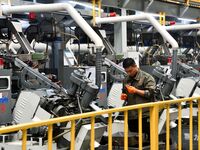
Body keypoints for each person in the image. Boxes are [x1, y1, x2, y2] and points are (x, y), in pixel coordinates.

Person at [121, 57, 156, 140]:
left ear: (135, 66)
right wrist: (124, 96)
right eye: (127, 72)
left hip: (145, 114)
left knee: (148, 139)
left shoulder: (147, 78)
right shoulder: (126, 80)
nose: (129, 73)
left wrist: (135, 90)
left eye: (130, 71)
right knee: (135, 139)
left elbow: (150, 94)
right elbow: (124, 92)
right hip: (132, 115)